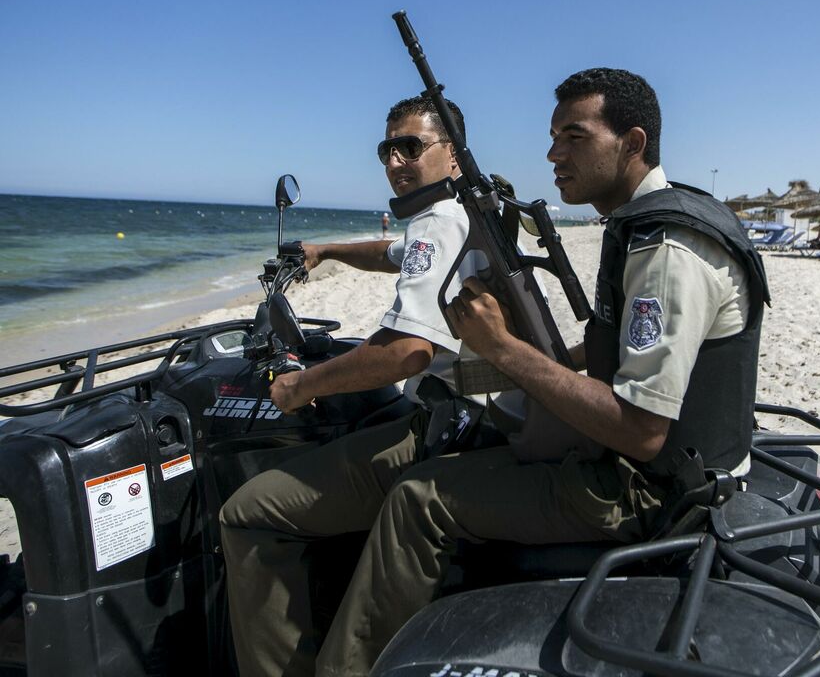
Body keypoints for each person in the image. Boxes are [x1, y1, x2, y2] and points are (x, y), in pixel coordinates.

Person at [313, 67, 770, 676]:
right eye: (553, 138)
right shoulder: (650, 220)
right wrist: (493, 368)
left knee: (417, 501)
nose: (553, 155)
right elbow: (610, 359)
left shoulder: (666, 250)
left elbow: (641, 432)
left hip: (652, 491)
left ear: (632, 143)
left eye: (574, 137)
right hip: (661, 466)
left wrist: (502, 349)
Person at [220, 95, 513, 677]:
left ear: (453, 155)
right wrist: (327, 249)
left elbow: (407, 351)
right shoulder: (474, 211)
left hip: (449, 430)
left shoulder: (439, 223)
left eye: (411, 146)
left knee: (247, 513)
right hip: (489, 409)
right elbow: (394, 253)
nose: (396, 161)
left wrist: (302, 386)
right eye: (387, 149)